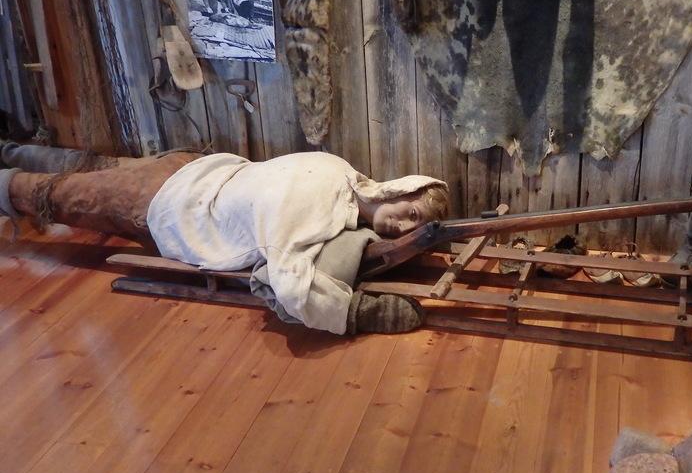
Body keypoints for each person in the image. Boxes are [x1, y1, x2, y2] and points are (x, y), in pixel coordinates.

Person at [0, 144, 450, 336]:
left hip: (197, 166)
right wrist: (358, 313)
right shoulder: (317, 209)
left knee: (89, 167)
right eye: (411, 213)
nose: (403, 228)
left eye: (414, 228)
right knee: (51, 195)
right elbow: (291, 286)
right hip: (169, 201)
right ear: (400, 189)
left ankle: (12, 150)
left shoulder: (339, 168)